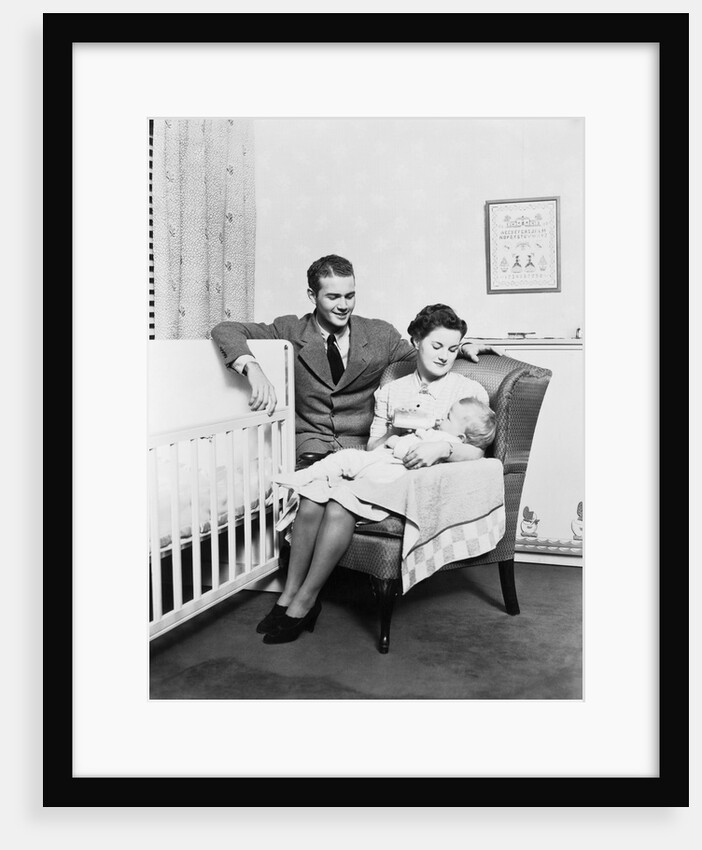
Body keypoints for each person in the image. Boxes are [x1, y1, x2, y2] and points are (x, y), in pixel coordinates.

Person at [256, 303, 493, 644]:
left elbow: (479, 452)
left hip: (420, 484)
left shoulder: (468, 392)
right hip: (383, 466)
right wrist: (395, 431)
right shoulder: (391, 391)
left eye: (453, 349)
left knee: (338, 504)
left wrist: (442, 447)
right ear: (416, 342)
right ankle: (288, 595)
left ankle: (307, 600)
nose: (444, 356)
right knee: (311, 498)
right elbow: (373, 449)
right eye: (436, 346)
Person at [211, 254, 501, 462]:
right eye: (333, 297)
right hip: (308, 444)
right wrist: (252, 367)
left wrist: (461, 347)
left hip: (360, 447)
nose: (343, 306)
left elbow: (425, 352)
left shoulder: (380, 334)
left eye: (349, 296)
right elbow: (225, 329)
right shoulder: (288, 329)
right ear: (312, 295)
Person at [274, 396, 496, 498]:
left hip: (392, 471)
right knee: (345, 464)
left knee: (344, 459)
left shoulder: (447, 441)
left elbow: (411, 451)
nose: (441, 419)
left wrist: (396, 441)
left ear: (460, 435)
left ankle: (304, 477)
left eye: (448, 416)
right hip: (386, 466)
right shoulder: (441, 433)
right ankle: (307, 479)